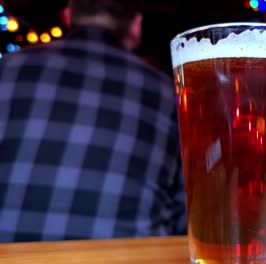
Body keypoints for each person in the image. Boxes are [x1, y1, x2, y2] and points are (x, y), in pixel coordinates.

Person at [0, 0, 186, 242]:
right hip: (130, 257)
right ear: (136, 25)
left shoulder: (8, 69)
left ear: (68, 16)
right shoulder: (165, 91)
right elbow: (187, 212)